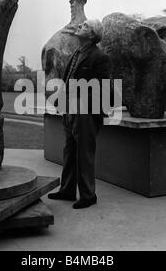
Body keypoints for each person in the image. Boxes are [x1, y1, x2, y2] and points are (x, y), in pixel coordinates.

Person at [48, 19, 111, 209]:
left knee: (84, 154)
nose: (80, 26)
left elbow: (101, 88)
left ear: (92, 35)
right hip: (71, 110)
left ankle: (88, 195)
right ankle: (67, 190)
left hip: (87, 113)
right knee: (70, 152)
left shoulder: (100, 57)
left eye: (84, 26)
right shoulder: (77, 53)